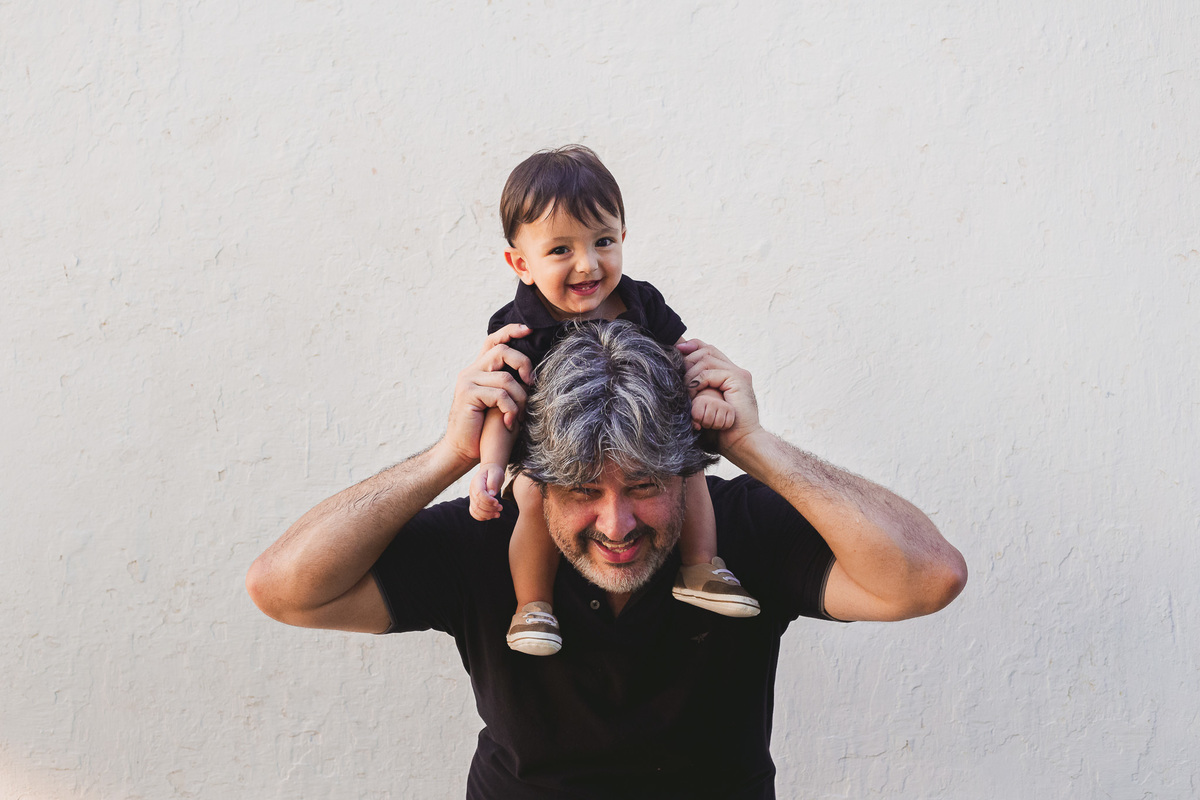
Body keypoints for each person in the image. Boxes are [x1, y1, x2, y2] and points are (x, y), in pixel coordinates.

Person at [246, 320, 968, 799]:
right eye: (584, 491)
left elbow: (926, 577)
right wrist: (451, 456)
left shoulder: (739, 530)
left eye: (647, 486)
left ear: (687, 472)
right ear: (536, 483)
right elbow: (285, 590)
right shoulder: (486, 535)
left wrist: (756, 445)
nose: (616, 524)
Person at [471, 145, 757, 657]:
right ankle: (532, 605)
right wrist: (488, 466)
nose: (588, 264)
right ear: (521, 264)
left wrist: (705, 398)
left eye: (603, 241)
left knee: (687, 468)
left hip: (640, 453)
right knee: (536, 496)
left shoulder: (641, 302)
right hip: (554, 463)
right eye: (560, 250)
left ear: (623, 237)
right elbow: (502, 402)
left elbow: (681, 364)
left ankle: (702, 567)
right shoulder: (520, 327)